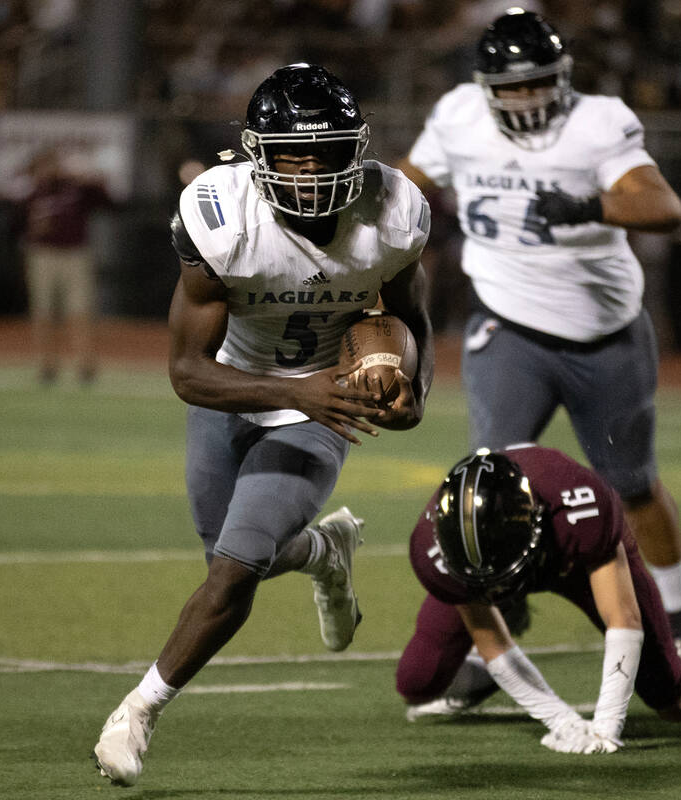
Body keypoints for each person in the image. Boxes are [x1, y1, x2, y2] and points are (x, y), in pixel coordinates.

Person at [92, 63, 434, 786]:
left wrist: (409, 386)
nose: (308, 174)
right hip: (234, 389)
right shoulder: (220, 218)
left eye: (324, 154)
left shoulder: (393, 212)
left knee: (234, 567)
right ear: (258, 155)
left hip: (327, 401)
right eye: (290, 156)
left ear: (357, 151)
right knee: (225, 545)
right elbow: (187, 372)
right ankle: (323, 552)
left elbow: (411, 317)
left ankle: (138, 711)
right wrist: (294, 391)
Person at [396, 9, 681, 661]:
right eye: (510, 85)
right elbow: (410, 182)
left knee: (631, 482)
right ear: (484, 86)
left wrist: (592, 205)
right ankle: (506, 600)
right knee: (490, 476)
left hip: (605, 332)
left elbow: (665, 207)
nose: (524, 97)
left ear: (561, 78)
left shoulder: (596, 122)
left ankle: (680, 606)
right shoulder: (458, 115)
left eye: (537, 82)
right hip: (507, 325)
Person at [397, 445, 681, 751]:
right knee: (417, 682)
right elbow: (494, 642)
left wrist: (605, 727)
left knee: (676, 700)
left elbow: (622, 618)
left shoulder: (579, 510)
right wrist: (559, 719)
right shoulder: (433, 549)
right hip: (503, 561)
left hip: (574, 562)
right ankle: (481, 684)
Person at [17, 146, 114, 385]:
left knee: (79, 312)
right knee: (43, 313)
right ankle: (46, 365)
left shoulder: (77, 189)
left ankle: (84, 365)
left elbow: (109, 203)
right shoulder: (30, 194)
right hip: (42, 255)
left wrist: (91, 180)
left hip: (75, 255)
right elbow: (14, 227)